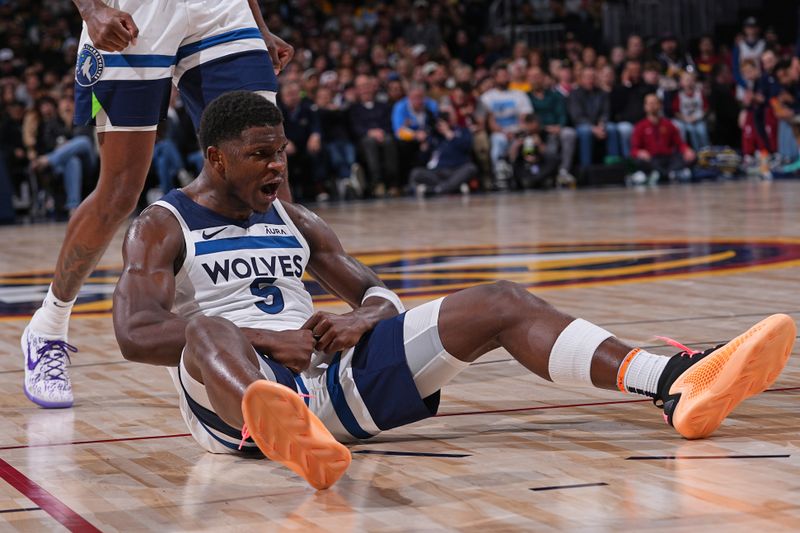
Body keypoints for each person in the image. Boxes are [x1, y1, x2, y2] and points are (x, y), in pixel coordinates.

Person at [113, 91, 795, 491]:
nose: (277, 165)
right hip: (228, 400)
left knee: (499, 299)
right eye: (261, 154)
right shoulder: (163, 223)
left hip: (323, 384)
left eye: (282, 150)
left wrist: (363, 319)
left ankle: (671, 380)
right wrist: (264, 337)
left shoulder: (295, 218)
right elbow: (135, 332)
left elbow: (375, 290)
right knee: (210, 329)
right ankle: (278, 427)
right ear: (216, 159)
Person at [22, 0, 295, 409]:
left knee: (266, 176)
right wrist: (92, 10)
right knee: (120, 192)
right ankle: (49, 325)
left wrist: (257, 24)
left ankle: (283, 329)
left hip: (222, 10)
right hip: (137, 11)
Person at [630, 93, 696, 184]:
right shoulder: (640, 127)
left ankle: (659, 175)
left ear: (660, 105)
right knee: (640, 161)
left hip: (668, 158)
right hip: (651, 159)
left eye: (655, 103)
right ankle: (670, 174)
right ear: (645, 106)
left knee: (689, 157)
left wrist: (687, 150)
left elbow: (679, 144)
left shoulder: (668, 124)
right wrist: (640, 152)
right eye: (649, 103)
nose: (652, 106)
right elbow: (634, 149)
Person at [408, 109, 476, 196]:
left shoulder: (462, 131)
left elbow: (466, 147)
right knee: (416, 173)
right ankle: (452, 188)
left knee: (471, 168)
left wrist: (449, 134)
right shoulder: (435, 137)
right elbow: (422, 160)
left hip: (455, 169)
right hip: (437, 172)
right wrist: (424, 146)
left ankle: (435, 190)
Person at [567, 67, 609, 168]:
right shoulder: (574, 94)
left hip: (599, 125)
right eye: (587, 77)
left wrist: (601, 124)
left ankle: (614, 167)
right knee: (585, 132)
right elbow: (577, 116)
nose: (590, 80)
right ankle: (587, 168)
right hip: (581, 125)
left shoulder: (602, 93)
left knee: (612, 129)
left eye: (592, 77)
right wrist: (593, 128)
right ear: (581, 79)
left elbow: (605, 112)